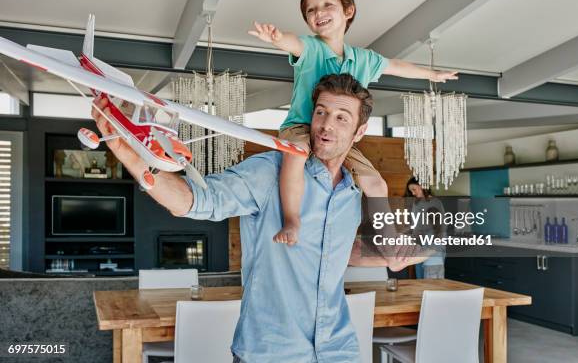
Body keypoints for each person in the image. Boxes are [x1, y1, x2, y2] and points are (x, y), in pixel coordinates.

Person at [92, 74, 428, 362]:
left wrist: (392, 241)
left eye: (342, 117)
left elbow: (335, 252)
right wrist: (135, 160)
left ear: (359, 131)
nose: (326, 124)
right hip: (271, 351)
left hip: (338, 349)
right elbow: (194, 201)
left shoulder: (353, 192)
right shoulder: (271, 172)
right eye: (322, 112)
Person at [248, 0, 458, 246]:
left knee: (377, 185)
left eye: (326, 4)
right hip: (301, 126)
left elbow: (396, 66)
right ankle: (292, 221)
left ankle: (390, 241)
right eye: (310, 10)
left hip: (341, 139)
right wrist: (276, 38)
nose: (318, 13)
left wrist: (433, 74)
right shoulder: (311, 48)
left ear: (348, 11)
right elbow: (293, 43)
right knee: (296, 156)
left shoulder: (364, 59)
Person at [405, 177, 446, 279]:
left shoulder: (436, 202)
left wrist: (436, 247)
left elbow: (442, 226)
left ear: (422, 186)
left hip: (432, 247)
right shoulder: (416, 203)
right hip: (418, 247)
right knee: (420, 280)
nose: (413, 193)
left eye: (414, 189)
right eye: (411, 191)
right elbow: (415, 225)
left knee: (433, 282)